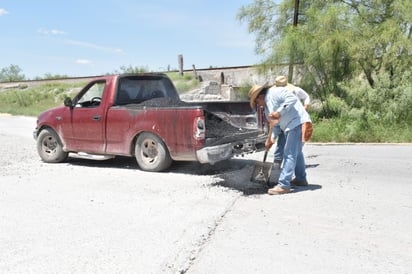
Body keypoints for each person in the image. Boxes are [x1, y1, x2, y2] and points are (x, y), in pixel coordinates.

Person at [248, 79, 312, 195]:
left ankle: (284, 185)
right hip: (289, 126)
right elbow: (276, 127)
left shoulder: (276, 92)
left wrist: (279, 112)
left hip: (298, 122)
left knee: (289, 153)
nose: (258, 105)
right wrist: (271, 139)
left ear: (260, 96)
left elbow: (292, 99)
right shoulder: (267, 109)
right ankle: (301, 179)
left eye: (256, 102)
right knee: (296, 153)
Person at [273, 76, 311, 165]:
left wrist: (306, 106)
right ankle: (277, 163)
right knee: (281, 140)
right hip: (283, 120)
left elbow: (306, 97)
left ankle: (292, 164)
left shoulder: (295, 90)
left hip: (296, 120)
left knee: (295, 144)